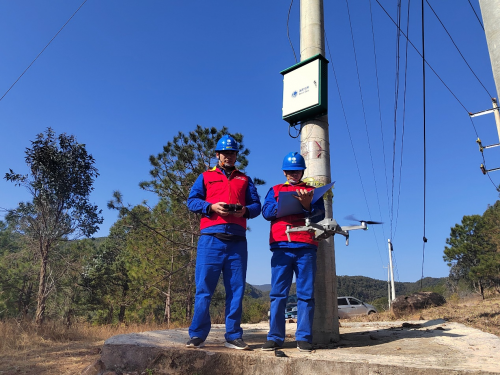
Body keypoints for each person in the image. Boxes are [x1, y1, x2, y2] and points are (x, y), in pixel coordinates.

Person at [185, 135, 261, 350]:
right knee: (204, 289)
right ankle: (197, 335)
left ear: (236, 155)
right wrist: (210, 207)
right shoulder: (205, 177)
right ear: (218, 155)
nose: (229, 156)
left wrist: (245, 210)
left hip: (237, 241)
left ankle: (234, 335)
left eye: (232, 153)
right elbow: (192, 201)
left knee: (236, 290)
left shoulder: (244, 179)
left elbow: (256, 205)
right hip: (211, 239)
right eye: (225, 153)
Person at [261, 152, 325, 353]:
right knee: (278, 294)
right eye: (290, 171)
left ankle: (304, 337)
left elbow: (320, 214)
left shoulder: (312, 191)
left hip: (306, 246)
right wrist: (286, 204)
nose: (293, 174)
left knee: (305, 294)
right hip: (282, 246)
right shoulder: (275, 190)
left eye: (297, 171)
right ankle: (274, 337)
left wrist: (307, 206)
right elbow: (266, 212)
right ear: (284, 172)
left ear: (302, 172)